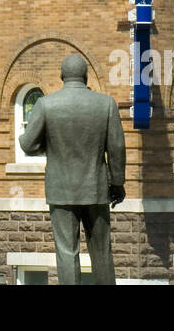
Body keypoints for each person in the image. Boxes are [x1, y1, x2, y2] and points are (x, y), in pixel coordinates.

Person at [18, 54, 126, 284]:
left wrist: (49, 145)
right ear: (86, 76)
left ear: (61, 76)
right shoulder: (106, 104)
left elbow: (28, 144)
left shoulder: (46, 104)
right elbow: (116, 147)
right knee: (102, 252)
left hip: (61, 191)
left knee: (67, 252)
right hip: (96, 190)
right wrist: (117, 183)